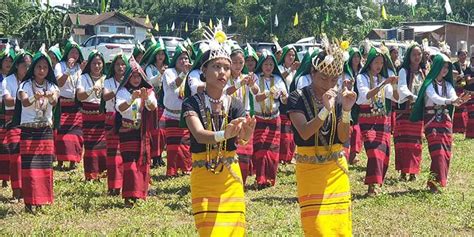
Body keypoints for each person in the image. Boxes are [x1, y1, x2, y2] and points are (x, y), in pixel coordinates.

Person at [182, 31, 255, 236]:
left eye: (226, 67)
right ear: (203, 71)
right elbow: (198, 134)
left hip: (230, 175)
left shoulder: (235, 104)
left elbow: (240, 139)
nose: (222, 72)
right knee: (209, 230)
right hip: (203, 175)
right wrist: (224, 134)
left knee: (233, 229)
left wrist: (247, 133)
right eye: (216, 67)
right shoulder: (192, 103)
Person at [288, 40, 355, 236]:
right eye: (324, 78)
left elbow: (342, 137)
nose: (329, 84)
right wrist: (326, 109)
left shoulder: (340, 97)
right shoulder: (297, 97)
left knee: (339, 226)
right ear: (312, 74)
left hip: (335, 167)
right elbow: (305, 132)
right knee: (316, 226)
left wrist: (347, 111)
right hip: (309, 168)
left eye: (334, 79)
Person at [410, 53, 471, 193]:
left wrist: (461, 100)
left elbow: (453, 97)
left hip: (445, 121)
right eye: (443, 66)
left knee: (446, 152)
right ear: (436, 66)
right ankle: (433, 183)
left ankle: (437, 182)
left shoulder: (448, 84)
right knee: (437, 152)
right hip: (432, 121)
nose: (445, 70)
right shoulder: (428, 84)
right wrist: (452, 101)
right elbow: (435, 98)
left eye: (447, 67)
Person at [13, 46, 59, 213]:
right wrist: (35, 97)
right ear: (34, 68)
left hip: (45, 130)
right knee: (30, 167)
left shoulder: (52, 86)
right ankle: (28, 202)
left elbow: (54, 101)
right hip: (29, 130)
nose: (42, 70)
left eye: (45, 67)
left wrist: (49, 96)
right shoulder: (25, 85)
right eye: (39, 67)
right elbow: (24, 102)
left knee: (44, 167)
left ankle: (41, 201)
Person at [355, 47, 399, 196]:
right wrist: (384, 84)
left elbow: (396, 98)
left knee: (383, 152)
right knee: (373, 151)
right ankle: (371, 186)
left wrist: (393, 85)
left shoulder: (383, 79)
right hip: (367, 119)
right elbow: (365, 96)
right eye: (376, 62)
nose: (379, 65)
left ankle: (375, 185)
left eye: (381, 63)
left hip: (382, 119)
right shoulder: (362, 78)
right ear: (370, 63)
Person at [115, 57, 157, 207]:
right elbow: (120, 108)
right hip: (127, 131)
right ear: (128, 77)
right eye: (133, 76)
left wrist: (146, 99)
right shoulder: (122, 92)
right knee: (130, 164)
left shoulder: (148, 91)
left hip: (142, 132)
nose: (135, 78)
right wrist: (132, 98)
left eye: (138, 75)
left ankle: (140, 194)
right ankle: (128, 196)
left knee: (142, 163)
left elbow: (153, 107)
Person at [251, 50, 288, 189]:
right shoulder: (254, 78)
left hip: (274, 117)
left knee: (272, 150)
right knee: (260, 148)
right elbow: (257, 97)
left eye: (271, 64)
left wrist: (284, 96)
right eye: (266, 64)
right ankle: (260, 178)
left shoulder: (278, 79)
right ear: (261, 65)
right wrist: (269, 92)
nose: (268, 67)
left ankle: (270, 178)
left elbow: (284, 101)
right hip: (260, 117)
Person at [226, 44, 259, 186]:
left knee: (245, 151)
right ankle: (230, 180)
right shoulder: (225, 76)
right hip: (228, 116)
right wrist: (240, 84)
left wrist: (251, 84)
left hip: (244, 117)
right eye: (235, 62)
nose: (238, 65)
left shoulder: (246, 77)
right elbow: (226, 92)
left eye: (241, 62)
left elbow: (256, 92)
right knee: (231, 150)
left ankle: (242, 181)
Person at [2, 50, 32, 201]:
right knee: (16, 155)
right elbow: (7, 101)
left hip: (31, 122)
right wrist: (25, 101)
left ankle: (28, 190)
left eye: (29, 66)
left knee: (29, 157)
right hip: (13, 122)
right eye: (24, 66)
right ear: (17, 66)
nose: (27, 69)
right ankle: (17, 190)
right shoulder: (8, 81)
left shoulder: (33, 81)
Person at [54, 38, 86, 170]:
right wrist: (68, 70)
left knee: (76, 134)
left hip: (76, 104)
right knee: (61, 135)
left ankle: (73, 161)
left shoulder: (80, 67)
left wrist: (83, 70)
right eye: (72, 52)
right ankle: (61, 161)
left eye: (77, 53)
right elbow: (60, 83)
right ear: (67, 53)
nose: (74, 55)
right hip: (63, 103)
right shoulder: (59, 66)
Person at [395, 44, 426, 181]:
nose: (417, 57)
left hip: (418, 111)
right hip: (404, 111)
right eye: (414, 54)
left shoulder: (424, 71)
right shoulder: (403, 71)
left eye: (419, 54)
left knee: (416, 142)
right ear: (409, 56)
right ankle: (403, 171)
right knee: (403, 141)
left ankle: (413, 172)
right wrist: (415, 98)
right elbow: (402, 88)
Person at [162, 44, 193, 176]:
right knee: (173, 145)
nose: (184, 61)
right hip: (171, 115)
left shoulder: (191, 74)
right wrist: (184, 73)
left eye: (186, 58)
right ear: (175, 60)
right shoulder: (169, 72)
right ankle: (172, 170)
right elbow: (173, 85)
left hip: (185, 115)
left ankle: (186, 168)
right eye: (181, 58)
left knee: (185, 144)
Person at [76, 51, 107, 181]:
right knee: (90, 145)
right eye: (94, 63)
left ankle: (102, 172)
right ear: (89, 64)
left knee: (103, 144)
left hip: (102, 114)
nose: (97, 66)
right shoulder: (83, 78)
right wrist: (91, 90)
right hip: (88, 114)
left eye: (99, 63)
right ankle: (90, 174)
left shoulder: (106, 78)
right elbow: (79, 96)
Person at [103, 53, 128, 195]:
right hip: (111, 117)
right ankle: (113, 185)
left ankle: (125, 184)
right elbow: (105, 96)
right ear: (113, 66)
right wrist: (118, 90)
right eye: (118, 64)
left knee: (125, 152)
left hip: (126, 119)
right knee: (113, 154)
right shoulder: (108, 82)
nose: (120, 67)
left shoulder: (130, 80)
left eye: (123, 64)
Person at [143, 39, 170, 168]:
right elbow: (150, 82)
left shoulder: (168, 68)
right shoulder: (150, 68)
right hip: (153, 101)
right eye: (158, 54)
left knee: (162, 131)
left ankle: (159, 156)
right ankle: (155, 157)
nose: (161, 56)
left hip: (164, 101)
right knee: (154, 130)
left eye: (163, 54)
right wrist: (160, 74)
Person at [277, 45, 299, 164]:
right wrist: (290, 70)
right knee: (284, 132)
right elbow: (280, 78)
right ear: (284, 56)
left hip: (294, 102)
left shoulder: (296, 70)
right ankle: (282, 156)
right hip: (283, 103)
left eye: (293, 55)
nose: (291, 57)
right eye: (289, 55)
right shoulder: (279, 68)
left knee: (293, 130)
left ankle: (291, 155)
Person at [340, 47, 363, 165]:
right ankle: (346, 154)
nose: (356, 59)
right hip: (346, 103)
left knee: (356, 129)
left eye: (358, 56)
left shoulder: (363, 71)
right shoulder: (344, 73)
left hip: (358, 103)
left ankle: (354, 153)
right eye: (354, 56)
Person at [0, 44, 16, 187]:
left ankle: (7, 177)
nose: (8, 63)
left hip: (8, 115)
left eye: (11, 61)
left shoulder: (15, 79)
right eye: (6, 60)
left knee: (7, 146)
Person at [452, 48, 468, 133]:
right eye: (461, 55)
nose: (463, 56)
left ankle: (465, 127)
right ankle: (457, 128)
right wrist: (462, 76)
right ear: (458, 56)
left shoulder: (468, 65)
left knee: (466, 108)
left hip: (466, 89)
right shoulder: (454, 65)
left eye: (465, 54)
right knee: (458, 106)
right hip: (457, 88)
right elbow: (454, 77)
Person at [464, 51, 474, 138]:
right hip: (470, 95)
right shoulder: (468, 70)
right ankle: (470, 134)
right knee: (472, 115)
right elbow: (469, 81)